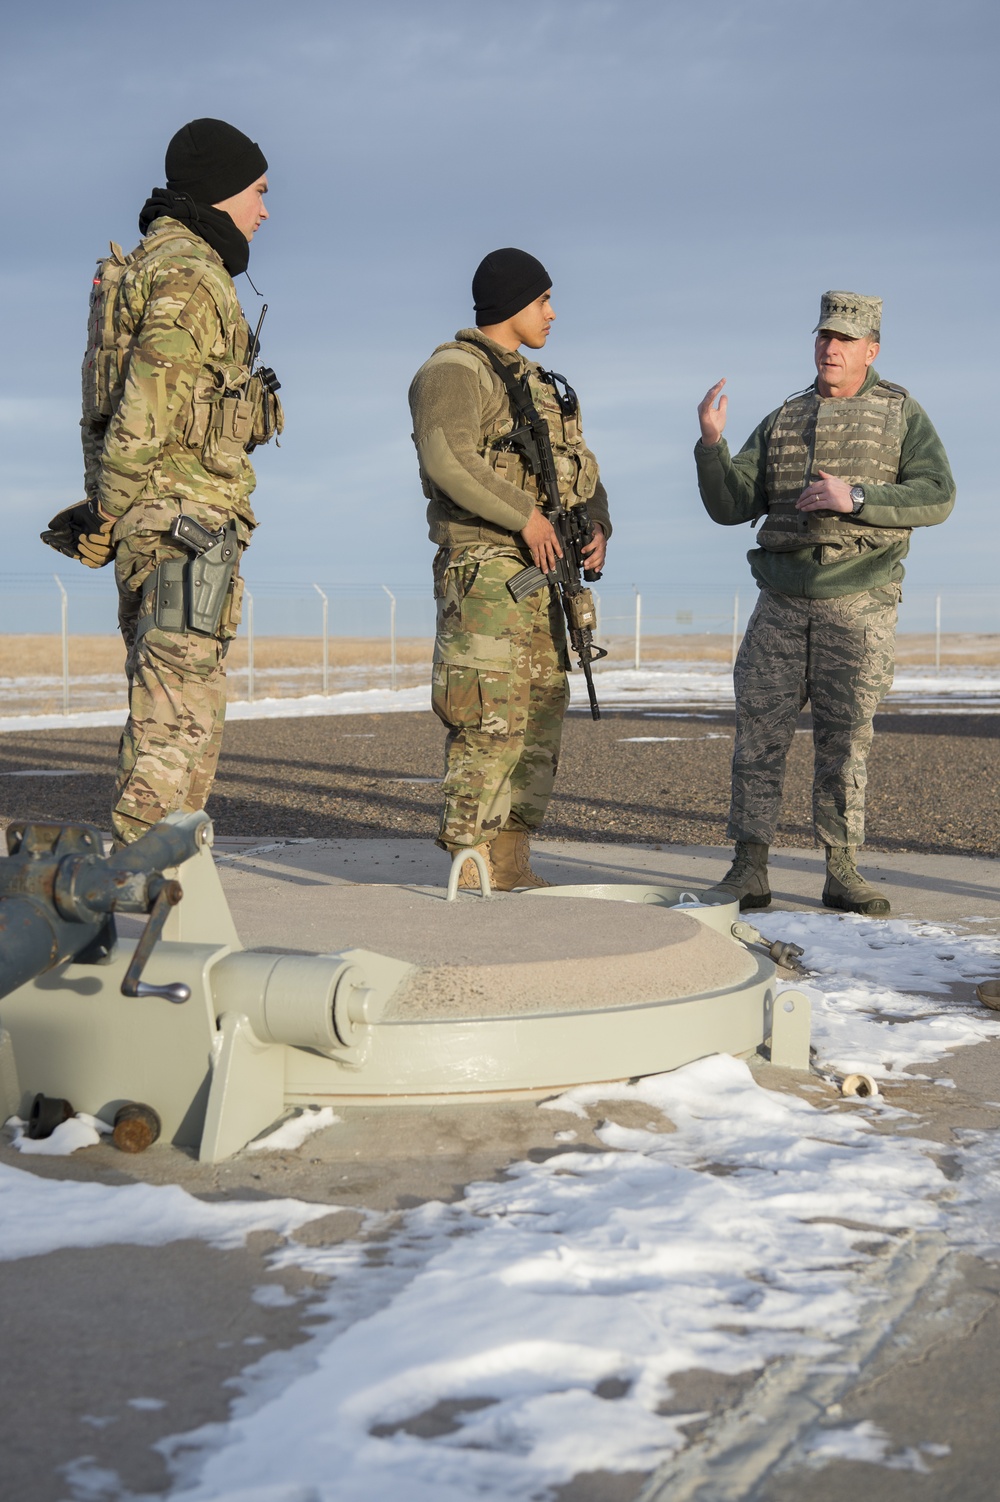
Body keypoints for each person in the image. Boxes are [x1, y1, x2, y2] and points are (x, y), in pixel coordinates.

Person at [44, 118, 282, 845]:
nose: (265, 210)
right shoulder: (193, 275)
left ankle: (167, 889)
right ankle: (132, 888)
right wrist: (107, 514)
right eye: (259, 191)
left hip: (165, 525)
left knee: (184, 712)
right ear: (219, 192)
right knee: (173, 726)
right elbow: (147, 408)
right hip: (182, 526)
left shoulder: (150, 266)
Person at [695, 290, 955, 914]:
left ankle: (842, 870)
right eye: (823, 336)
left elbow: (937, 495)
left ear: (872, 349)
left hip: (858, 601)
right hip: (781, 603)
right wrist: (711, 445)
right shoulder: (785, 417)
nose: (830, 348)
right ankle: (748, 868)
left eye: (844, 339)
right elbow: (731, 505)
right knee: (758, 737)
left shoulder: (900, 415)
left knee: (845, 742)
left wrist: (856, 497)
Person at [408, 248, 611, 890]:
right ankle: (470, 863)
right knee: (488, 718)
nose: (552, 314)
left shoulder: (545, 388)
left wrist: (597, 527)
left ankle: (512, 860)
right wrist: (525, 515)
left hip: (548, 577)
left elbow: (585, 475)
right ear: (513, 304)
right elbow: (448, 458)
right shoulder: (452, 372)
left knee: (540, 720)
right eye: (543, 301)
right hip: (488, 571)